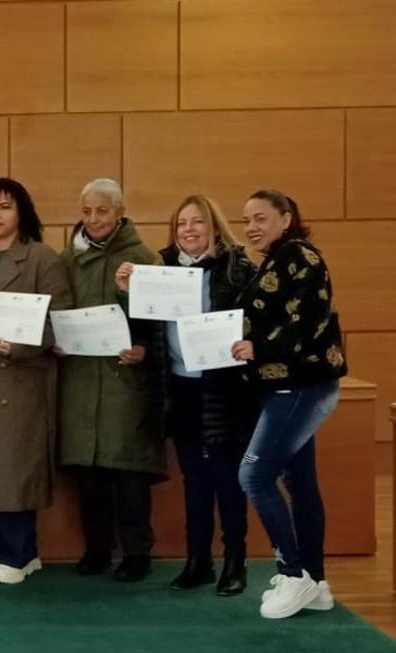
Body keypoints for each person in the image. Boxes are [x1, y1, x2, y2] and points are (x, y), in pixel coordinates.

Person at [114, 194, 257, 596]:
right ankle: (199, 560)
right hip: (180, 387)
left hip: (225, 390)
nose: (189, 231)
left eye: (197, 223)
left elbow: (256, 321)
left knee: (227, 479)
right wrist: (128, 290)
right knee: (194, 480)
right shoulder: (159, 268)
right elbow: (143, 326)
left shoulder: (237, 268)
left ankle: (235, 561)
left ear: (213, 226)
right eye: (181, 224)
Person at [231, 189, 347, 619]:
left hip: (300, 387)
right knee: (299, 483)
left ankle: (293, 571)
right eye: (246, 221)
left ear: (286, 218)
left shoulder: (300, 256)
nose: (252, 228)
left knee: (254, 475)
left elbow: (305, 322)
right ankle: (315, 583)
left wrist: (255, 346)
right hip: (290, 387)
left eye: (260, 218)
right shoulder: (276, 261)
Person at [0, 178, 73, 585]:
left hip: (20, 378)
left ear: (21, 211)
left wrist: (20, 347)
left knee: (14, 465)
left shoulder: (42, 258)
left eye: (4, 207)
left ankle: (19, 553)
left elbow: (59, 323)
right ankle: (8, 549)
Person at [57, 178, 166, 583]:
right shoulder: (66, 259)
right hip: (81, 381)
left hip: (125, 384)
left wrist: (144, 350)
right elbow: (56, 308)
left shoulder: (145, 258)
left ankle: (138, 553)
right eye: (86, 211)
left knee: (129, 473)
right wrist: (57, 339)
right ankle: (97, 549)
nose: (93, 219)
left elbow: (162, 324)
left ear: (120, 212)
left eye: (102, 210)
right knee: (90, 475)